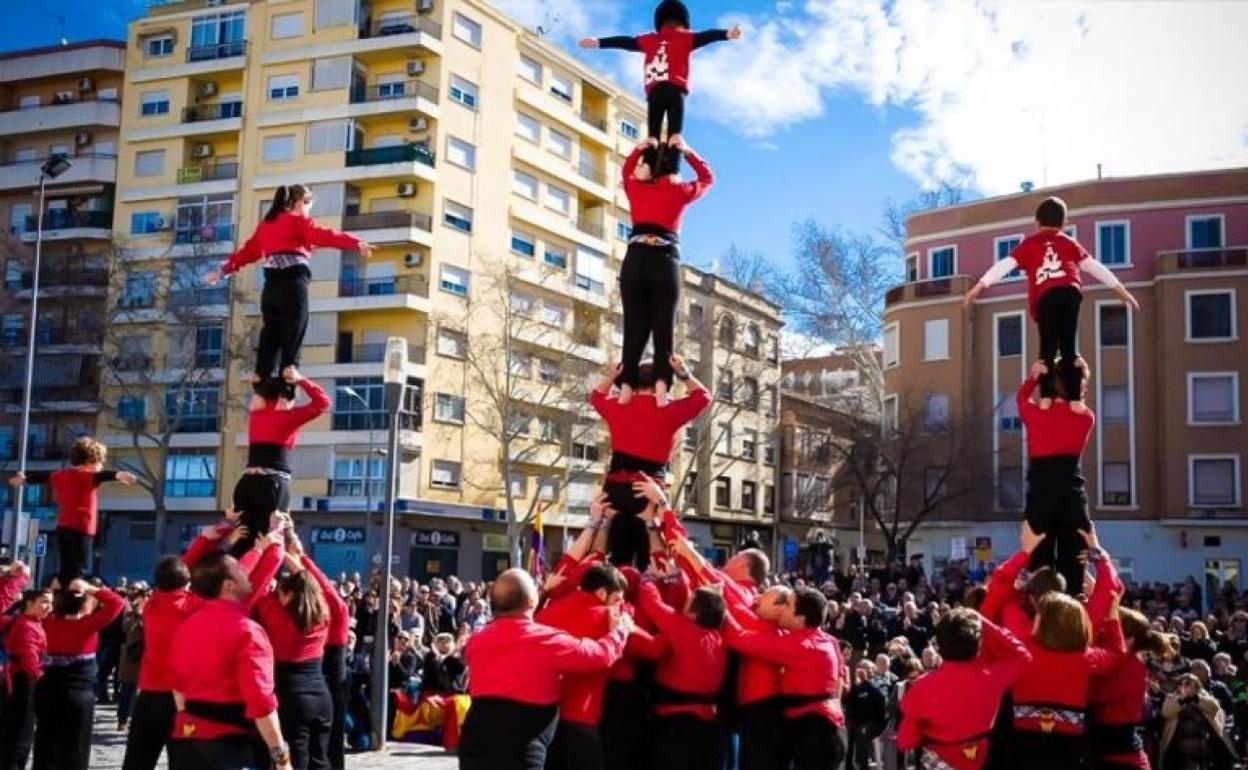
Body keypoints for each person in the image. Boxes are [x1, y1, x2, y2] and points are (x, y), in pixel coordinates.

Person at [963, 195, 1140, 403]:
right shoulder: (1069, 242)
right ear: (1064, 224)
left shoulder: (1029, 244)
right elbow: (1094, 266)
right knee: (1069, 348)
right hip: (1070, 293)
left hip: (1046, 296)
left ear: (1037, 223)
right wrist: (1120, 289)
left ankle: (1046, 397)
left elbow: (1005, 265)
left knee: (1047, 349)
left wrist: (980, 285)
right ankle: (1074, 399)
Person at [458, 569, 632, 770]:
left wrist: (545, 593)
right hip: (520, 745)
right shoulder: (545, 640)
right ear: (531, 602)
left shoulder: (476, 641)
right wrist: (620, 631)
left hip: (475, 738)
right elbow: (599, 656)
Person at [121, 519, 259, 770]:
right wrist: (251, 549)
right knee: (181, 760)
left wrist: (207, 539)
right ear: (186, 582)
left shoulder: (151, 606)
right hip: (181, 698)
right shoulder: (193, 605)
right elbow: (223, 579)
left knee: (137, 759)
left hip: (148, 696)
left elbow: (182, 568)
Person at [205, 183, 372, 386]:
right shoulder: (298, 221)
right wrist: (356, 243)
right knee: (296, 324)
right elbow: (324, 235)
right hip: (292, 282)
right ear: (300, 202)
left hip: (271, 286)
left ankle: (261, 372)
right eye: (309, 204)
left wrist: (222, 271)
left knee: (271, 330)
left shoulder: (265, 225)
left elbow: (247, 253)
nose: (309, 210)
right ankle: (289, 367)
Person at [169, 544, 293, 770]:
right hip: (227, 744)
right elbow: (261, 701)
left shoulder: (185, 627)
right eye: (239, 569)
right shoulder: (248, 631)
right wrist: (281, 756)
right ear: (228, 585)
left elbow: (178, 688)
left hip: (186, 738)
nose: (246, 571)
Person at [612, 136, 714, 402]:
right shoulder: (679, 193)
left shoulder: (637, 189)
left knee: (634, 326)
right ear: (673, 172)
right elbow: (707, 178)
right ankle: (660, 386)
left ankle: (626, 387)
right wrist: (689, 151)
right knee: (663, 328)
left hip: (635, 258)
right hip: (664, 259)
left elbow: (625, 171)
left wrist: (639, 149)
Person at [591, 357, 709, 569]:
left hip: (616, 489)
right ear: (662, 384)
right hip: (648, 490)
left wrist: (612, 376)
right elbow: (703, 397)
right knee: (651, 561)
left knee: (618, 562)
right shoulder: (668, 411)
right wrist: (684, 373)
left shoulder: (619, 407)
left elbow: (596, 397)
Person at [719, 586, 847, 770]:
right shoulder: (828, 640)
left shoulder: (799, 644)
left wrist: (721, 607)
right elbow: (840, 679)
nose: (781, 609)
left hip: (816, 734)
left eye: (787, 605)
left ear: (800, 617)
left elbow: (739, 639)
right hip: (829, 727)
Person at [580, 1, 742, 144]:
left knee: (653, 137)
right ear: (683, 20)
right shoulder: (686, 37)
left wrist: (599, 42)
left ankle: (648, 166)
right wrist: (726, 34)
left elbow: (625, 42)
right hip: (675, 90)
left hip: (654, 91)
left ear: (659, 21)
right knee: (675, 136)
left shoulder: (649, 39)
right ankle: (672, 172)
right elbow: (707, 35)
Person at [1005, 588, 1125, 770]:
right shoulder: (1085, 659)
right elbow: (1117, 655)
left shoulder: (1021, 653)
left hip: (1022, 744)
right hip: (1069, 749)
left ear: (1047, 623)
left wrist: (1015, 590)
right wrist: (1113, 617)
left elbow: (1006, 608)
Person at [897, 608, 1031, 770]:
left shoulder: (921, 687)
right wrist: (981, 620)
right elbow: (1022, 656)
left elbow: (905, 741)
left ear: (939, 646)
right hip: (983, 759)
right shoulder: (993, 677)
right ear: (979, 643)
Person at [253, 531, 335, 770]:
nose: (277, 596)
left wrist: (273, 550)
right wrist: (292, 555)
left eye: (280, 593)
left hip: (291, 697)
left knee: (296, 761)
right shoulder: (323, 615)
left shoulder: (278, 616)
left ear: (289, 595)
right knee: (320, 760)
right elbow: (311, 584)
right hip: (321, 695)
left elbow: (257, 587)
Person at [536, 563, 628, 770]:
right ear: (602, 593)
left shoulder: (548, 611)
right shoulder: (609, 618)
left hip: (545, 718)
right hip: (582, 716)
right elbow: (654, 648)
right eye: (617, 600)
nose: (619, 606)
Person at [7, 436, 137, 583]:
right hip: (82, 528)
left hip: (63, 527)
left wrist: (24, 480)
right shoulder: (88, 476)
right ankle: (71, 596)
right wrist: (121, 475)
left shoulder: (60, 475)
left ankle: (60, 589)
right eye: (100, 462)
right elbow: (103, 476)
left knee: (66, 568)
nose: (101, 466)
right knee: (78, 569)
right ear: (90, 461)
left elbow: (42, 477)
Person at [230, 369, 330, 555]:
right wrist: (301, 380)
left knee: (241, 542)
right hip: (272, 483)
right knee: (272, 539)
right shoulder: (287, 417)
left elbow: (263, 395)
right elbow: (323, 403)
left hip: (245, 484)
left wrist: (259, 383)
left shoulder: (255, 414)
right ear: (285, 398)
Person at [1016, 360, 1096, 594]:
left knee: (1040, 565)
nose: (1085, 388)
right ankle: (1073, 614)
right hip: (1072, 495)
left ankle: (1042, 614)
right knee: (1074, 566)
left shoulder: (1036, 414)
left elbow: (1021, 400)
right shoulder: (1086, 418)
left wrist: (1034, 378)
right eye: (1083, 383)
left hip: (1041, 494)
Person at [635, 570, 728, 770]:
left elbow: (651, 602)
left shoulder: (683, 628)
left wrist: (649, 577)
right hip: (709, 728)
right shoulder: (720, 639)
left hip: (675, 728)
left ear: (693, 613)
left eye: (688, 601)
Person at [33, 577, 125, 770]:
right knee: (75, 748)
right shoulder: (87, 626)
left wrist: (54, 589)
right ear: (84, 604)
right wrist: (90, 588)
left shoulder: (48, 623)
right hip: (78, 695)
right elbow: (117, 602)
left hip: (48, 690)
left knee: (45, 743)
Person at [1088, 607, 1180, 770]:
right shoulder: (1123, 661)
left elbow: (1100, 695)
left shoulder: (1132, 666)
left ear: (1128, 639)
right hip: (1108, 751)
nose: (1102, 633)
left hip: (1121, 757)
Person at [0, 584, 46, 770]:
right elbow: (31, 664)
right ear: (29, 603)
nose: (49, 607)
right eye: (44, 602)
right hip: (25, 682)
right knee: (20, 736)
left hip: (15, 679)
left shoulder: (23, 621)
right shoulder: (27, 626)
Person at [1159, 674, 1237, 770]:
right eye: (1181, 683)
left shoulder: (1205, 695)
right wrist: (1182, 699)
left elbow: (1214, 708)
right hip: (1180, 743)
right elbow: (1166, 712)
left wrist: (1196, 698)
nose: (1184, 686)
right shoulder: (1172, 697)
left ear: (1196, 685)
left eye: (1188, 683)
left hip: (1203, 742)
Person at [845, 660, 888, 770]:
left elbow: (880, 701)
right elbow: (850, 704)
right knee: (848, 731)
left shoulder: (879, 682)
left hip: (875, 722)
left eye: (867, 667)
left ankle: (864, 765)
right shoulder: (857, 687)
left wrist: (866, 683)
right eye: (862, 667)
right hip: (858, 722)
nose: (864, 670)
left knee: (862, 731)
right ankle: (848, 765)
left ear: (873, 669)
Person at [117, 583, 149, 731]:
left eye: (138, 590)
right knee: (127, 689)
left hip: (147, 654)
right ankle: (122, 719)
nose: (134, 592)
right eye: (132, 589)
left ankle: (136, 720)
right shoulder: (129, 607)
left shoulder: (151, 606)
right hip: (132, 654)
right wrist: (137, 614)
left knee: (140, 692)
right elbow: (125, 627)